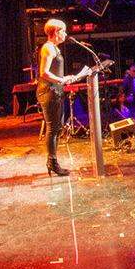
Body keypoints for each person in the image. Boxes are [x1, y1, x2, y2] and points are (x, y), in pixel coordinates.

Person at [37, 19, 88, 177]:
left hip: (55, 90)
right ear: (55, 32)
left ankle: (52, 161)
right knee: (53, 129)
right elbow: (43, 72)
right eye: (63, 31)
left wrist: (66, 78)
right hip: (49, 91)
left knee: (57, 128)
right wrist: (62, 80)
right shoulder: (48, 48)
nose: (65, 34)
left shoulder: (54, 48)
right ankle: (52, 162)